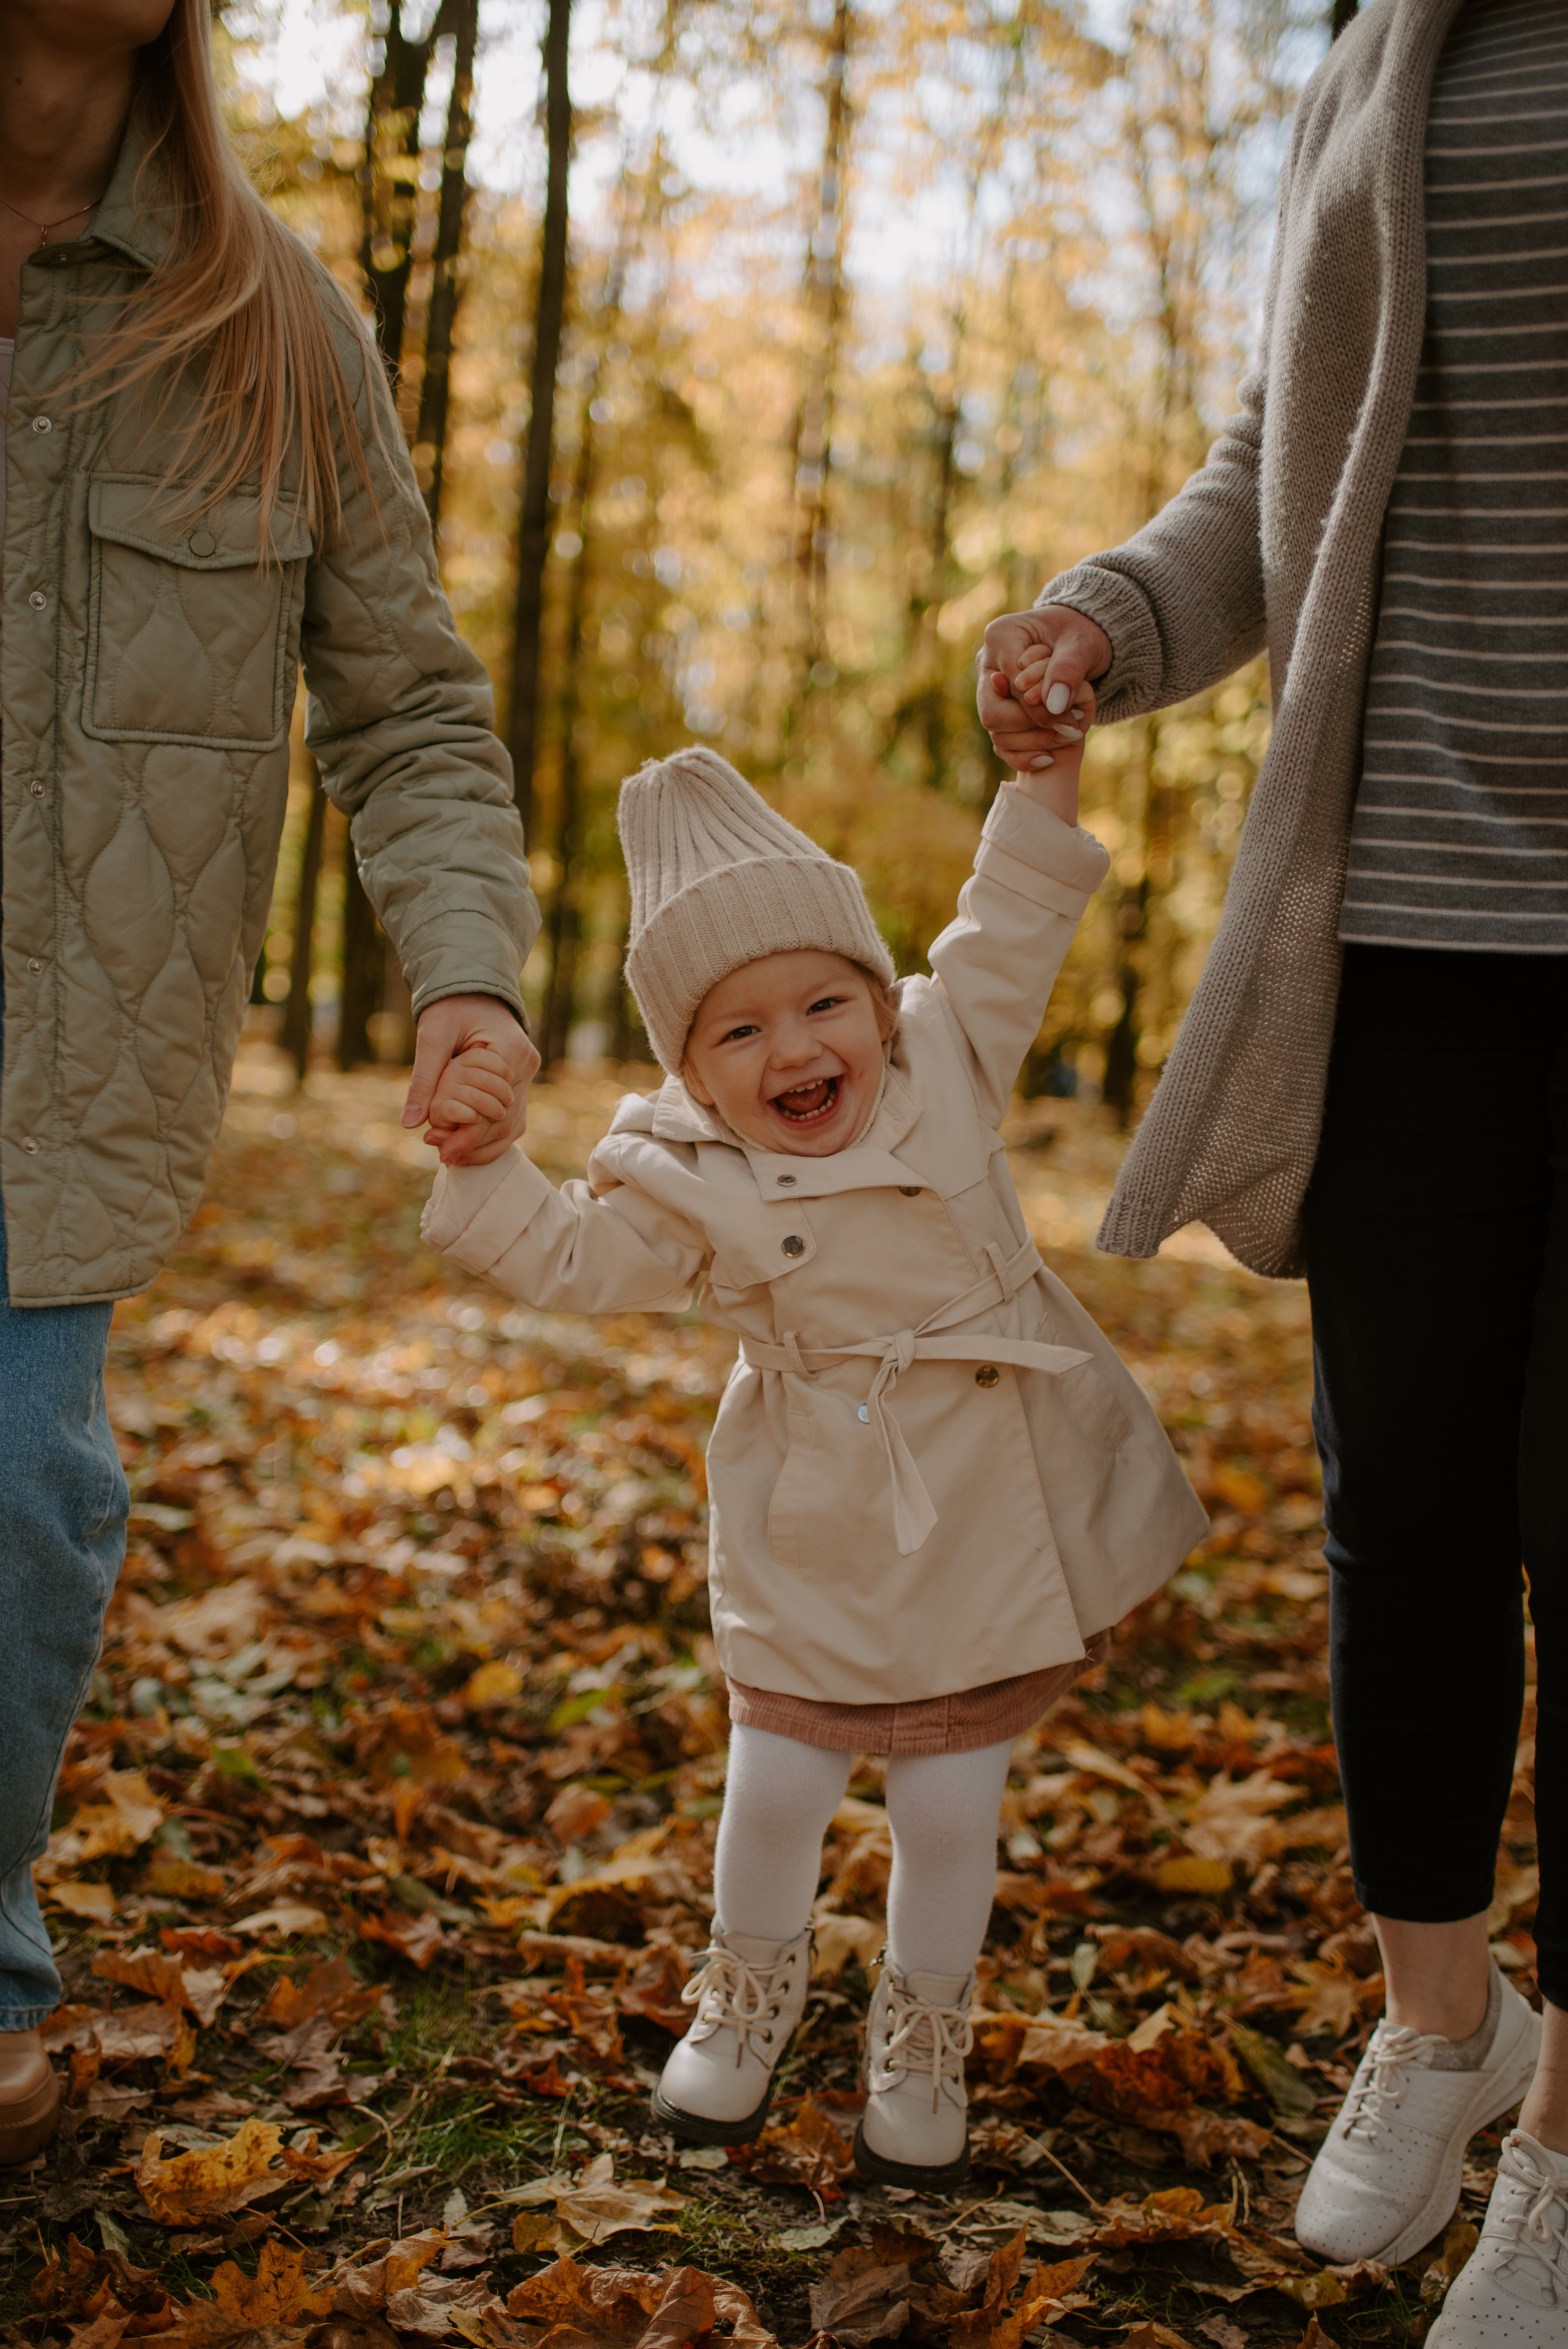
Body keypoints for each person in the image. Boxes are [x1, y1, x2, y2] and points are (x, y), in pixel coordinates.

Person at [976, 0, 1567, 2336]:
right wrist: (1107, 619)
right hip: (1405, 917)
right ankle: (1446, 2016)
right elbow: (1279, 459)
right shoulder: (1379, 43)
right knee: (1405, 1500)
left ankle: (1563, 2149)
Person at [0, 0, 540, 2166]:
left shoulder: (273, 324)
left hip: (69, 1059)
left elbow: (408, 707)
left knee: (27, 1493)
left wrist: (470, 977)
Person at [423, 728, 1208, 2189]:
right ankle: (749, 1988)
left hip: (978, 1497)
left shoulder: (949, 1051)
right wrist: (483, 1165)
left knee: (948, 1802)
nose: (794, 1051)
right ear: (692, 1071)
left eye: (823, 1002)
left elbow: (1015, 912)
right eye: (738, 1031)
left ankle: (921, 2030)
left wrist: (1043, 772)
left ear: (875, 994)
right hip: (817, 1506)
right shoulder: (685, 1172)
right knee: (778, 1780)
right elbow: (576, 1260)